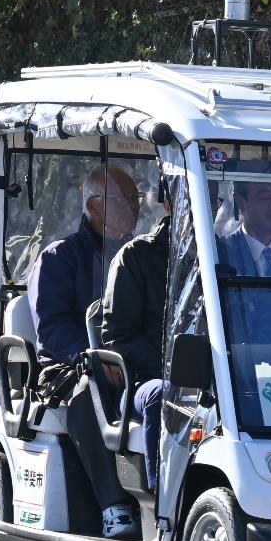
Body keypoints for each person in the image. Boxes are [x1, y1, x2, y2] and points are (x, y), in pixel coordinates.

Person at [25, 165, 140, 538]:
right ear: (94, 205)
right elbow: (53, 329)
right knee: (88, 394)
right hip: (68, 367)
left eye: (137, 198)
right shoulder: (60, 258)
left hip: (130, 358)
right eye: (125, 200)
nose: (135, 207)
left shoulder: (144, 256)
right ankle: (114, 504)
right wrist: (92, 355)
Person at [95, 185, 173, 496]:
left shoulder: (220, 257)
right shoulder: (136, 255)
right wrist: (173, 369)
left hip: (210, 378)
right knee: (162, 395)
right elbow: (116, 335)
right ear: (167, 202)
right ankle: (164, 506)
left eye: (211, 199)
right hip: (143, 381)